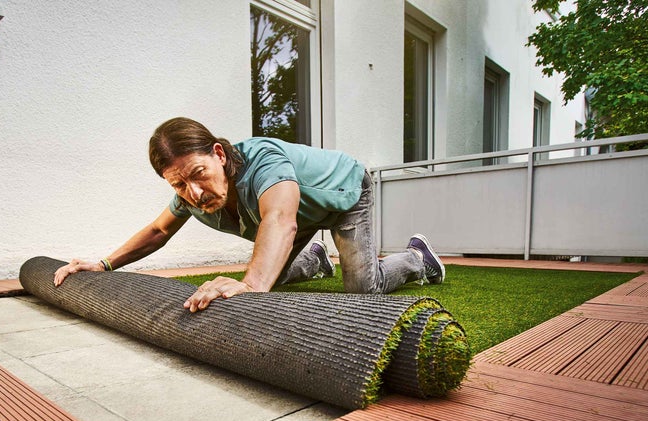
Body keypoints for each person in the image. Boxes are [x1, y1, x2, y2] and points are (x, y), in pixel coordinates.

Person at [53, 117, 445, 312]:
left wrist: (252, 285)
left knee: (362, 292)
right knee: (275, 271)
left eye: (198, 174)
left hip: (343, 193)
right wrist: (104, 264)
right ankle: (315, 259)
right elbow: (159, 230)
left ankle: (417, 258)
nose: (193, 193)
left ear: (218, 155)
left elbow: (280, 221)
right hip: (298, 217)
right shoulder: (190, 194)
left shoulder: (262, 162)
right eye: (178, 184)